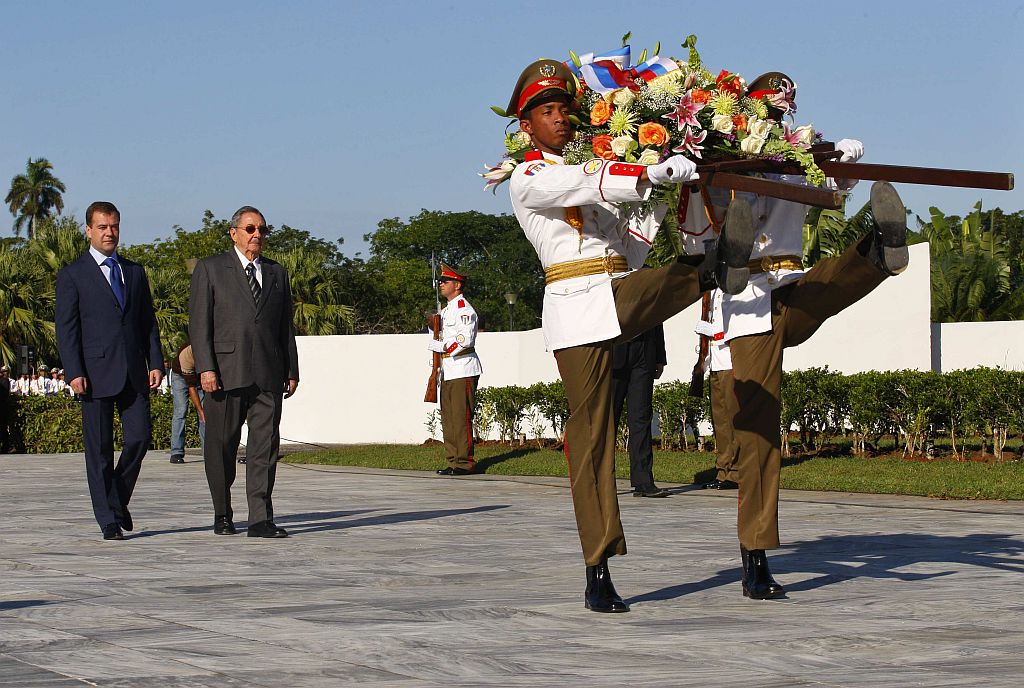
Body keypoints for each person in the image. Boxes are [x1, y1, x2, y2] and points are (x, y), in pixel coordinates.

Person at [506, 59, 755, 612]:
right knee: (593, 437)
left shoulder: (593, 175)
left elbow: (632, 246)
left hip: (620, 293)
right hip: (575, 311)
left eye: (565, 110)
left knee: (665, 276)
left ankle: (713, 266)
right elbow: (576, 181)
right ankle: (597, 567)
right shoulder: (525, 177)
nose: (561, 120)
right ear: (527, 126)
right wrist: (640, 174)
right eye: (548, 112)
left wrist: (668, 188)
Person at [678, 71, 910, 600]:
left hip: (788, 284)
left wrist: (841, 162)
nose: (778, 120)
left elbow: (827, 191)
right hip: (745, 303)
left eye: (784, 112)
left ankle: (878, 250)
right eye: (770, 112)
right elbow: (692, 229)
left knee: (826, 284)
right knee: (760, 431)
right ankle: (754, 555)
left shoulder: (793, 159)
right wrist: (702, 177)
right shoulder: (719, 161)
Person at [55, 201, 164, 540]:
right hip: (94, 374)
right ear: (88, 230)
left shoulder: (132, 271)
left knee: (140, 438)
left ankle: (116, 497)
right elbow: (67, 329)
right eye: (102, 227)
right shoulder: (73, 275)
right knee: (99, 452)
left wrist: (156, 362)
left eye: (114, 226)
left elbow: (147, 322)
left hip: (133, 371)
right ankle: (108, 518)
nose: (109, 233)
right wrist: (74, 371)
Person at [189, 205, 299, 538]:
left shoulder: (277, 273)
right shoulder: (210, 269)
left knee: (264, 447)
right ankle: (222, 512)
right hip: (224, 373)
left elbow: (285, 327)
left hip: (268, 372)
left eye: (262, 230)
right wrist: (206, 367)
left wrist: (292, 369)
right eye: (250, 229)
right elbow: (199, 323)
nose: (257, 236)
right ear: (234, 232)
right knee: (221, 446)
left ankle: (260, 518)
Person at [428, 263, 483, 476]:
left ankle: (465, 462)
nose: (441, 284)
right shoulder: (446, 310)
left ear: (457, 285)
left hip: (462, 367)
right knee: (449, 418)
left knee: (461, 417)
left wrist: (440, 347)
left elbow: (464, 340)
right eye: (441, 281)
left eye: (445, 281)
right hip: (448, 370)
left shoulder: (464, 310)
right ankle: (453, 461)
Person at [611, 322, 670, 498]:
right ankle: (601, 479)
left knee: (641, 418)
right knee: (608, 420)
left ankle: (643, 480)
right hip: (614, 351)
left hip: (645, 351)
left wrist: (660, 356)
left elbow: (657, 313)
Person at [697, 289, 739, 490]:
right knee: (720, 420)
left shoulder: (735, 287)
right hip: (714, 359)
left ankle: (737, 471)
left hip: (729, 357)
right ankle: (723, 471)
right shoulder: (710, 291)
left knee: (734, 418)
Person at [168, 342, 206, 464]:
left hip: (201, 376)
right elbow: (192, 387)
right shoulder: (187, 354)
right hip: (180, 376)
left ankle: (208, 452)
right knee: (181, 411)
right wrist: (200, 412)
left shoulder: (210, 351)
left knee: (206, 413)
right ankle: (176, 452)